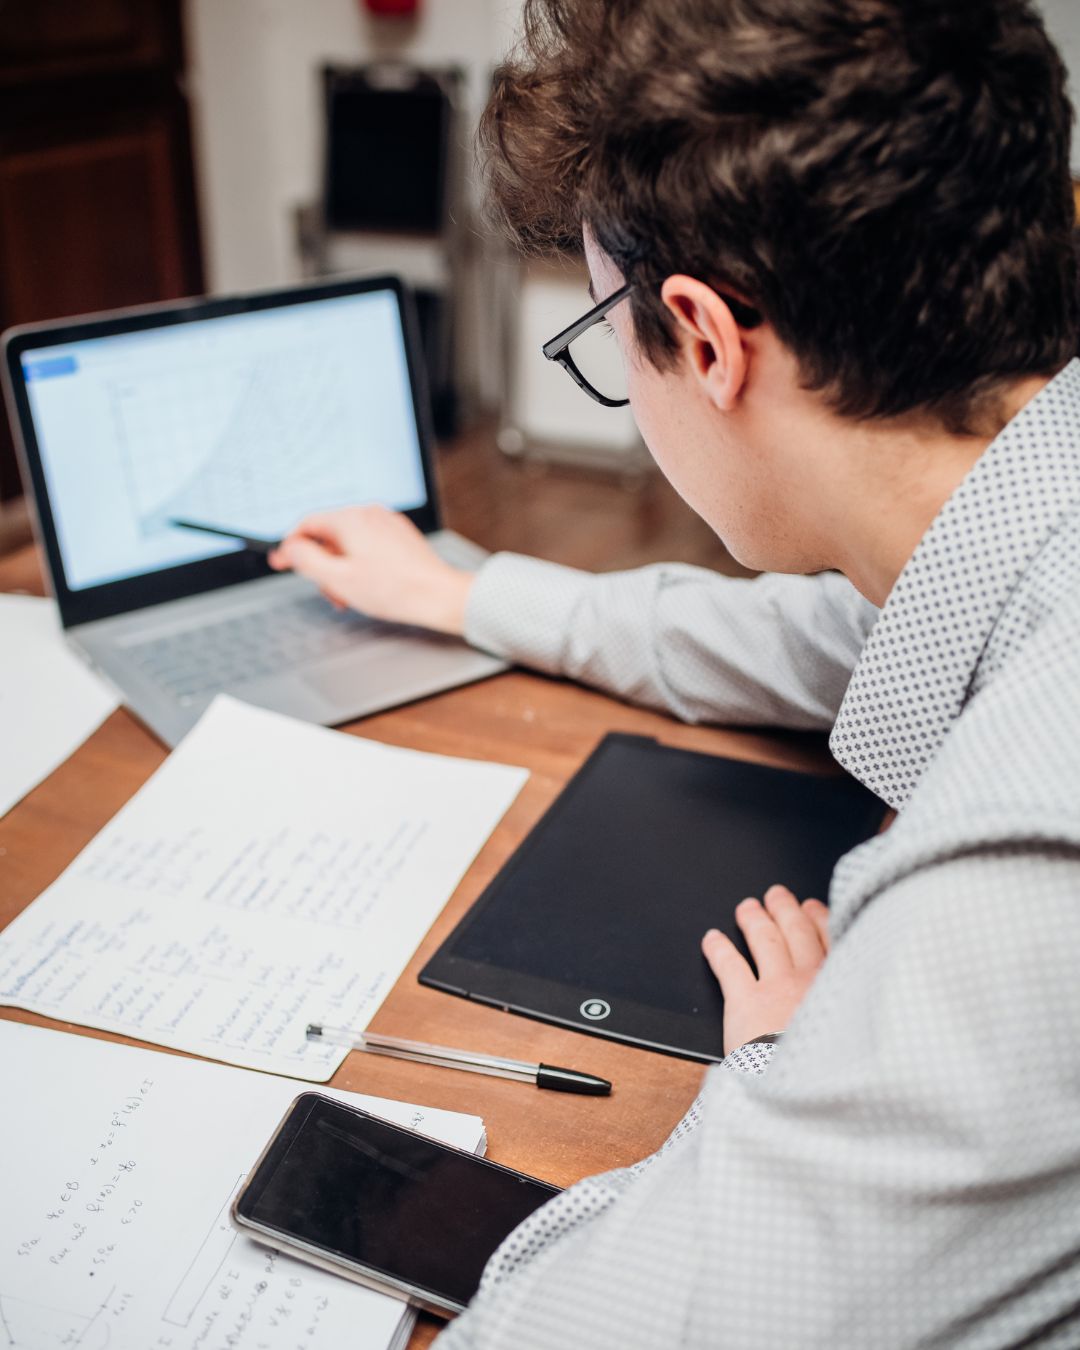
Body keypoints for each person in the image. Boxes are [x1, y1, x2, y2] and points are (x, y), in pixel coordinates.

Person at [269, 0, 1080, 1342]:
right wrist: (460, 587)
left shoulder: (1015, 866)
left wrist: (785, 1065)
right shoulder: (1017, 512)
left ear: (703, 338)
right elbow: (825, 639)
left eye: (605, 333)